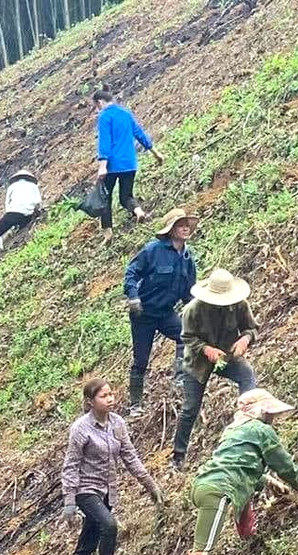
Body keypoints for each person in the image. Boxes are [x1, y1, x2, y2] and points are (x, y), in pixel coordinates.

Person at [183, 389, 298, 555]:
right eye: (269, 413)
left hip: (206, 485)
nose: (273, 418)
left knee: (242, 494)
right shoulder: (263, 430)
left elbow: (242, 467)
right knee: (203, 546)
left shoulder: (234, 430)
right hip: (219, 489)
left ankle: (248, 535)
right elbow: (282, 462)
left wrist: (268, 480)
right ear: (260, 412)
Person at [61, 375, 162, 555]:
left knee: (90, 534)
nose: (110, 399)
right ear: (90, 401)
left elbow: (130, 457)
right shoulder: (80, 429)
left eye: (111, 394)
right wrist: (69, 502)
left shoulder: (117, 423)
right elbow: (71, 465)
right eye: (103, 396)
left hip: (108, 490)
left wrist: (151, 486)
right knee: (109, 525)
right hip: (85, 490)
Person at [173, 270, 256, 469]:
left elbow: (251, 328)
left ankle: (248, 423)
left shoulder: (240, 305)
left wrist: (245, 339)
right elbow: (186, 337)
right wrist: (206, 349)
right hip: (197, 362)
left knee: (247, 375)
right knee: (190, 408)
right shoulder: (192, 310)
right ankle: (178, 455)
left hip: (227, 354)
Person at [121, 209, 196, 413]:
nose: (185, 227)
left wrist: (200, 309)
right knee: (141, 360)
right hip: (143, 313)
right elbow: (132, 272)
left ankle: (179, 379)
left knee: (185, 336)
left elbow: (189, 292)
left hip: (165, 313)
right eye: (180, 224)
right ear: (171, 230)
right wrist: (133, 296)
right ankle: (135, 404)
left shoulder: (188, 257)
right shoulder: (153, 250)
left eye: (186, 224)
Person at [92, 87, 161, 231]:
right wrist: (156, 153)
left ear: (99, 102)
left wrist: (102, 166)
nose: (97, 110)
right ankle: (138, 211)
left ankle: (108, 232)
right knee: (126, 197)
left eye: (96, 107)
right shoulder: (126, 113)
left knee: (105, 198)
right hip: (130, 164)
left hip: (112, 165)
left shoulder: (105, 116)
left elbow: (104, 142)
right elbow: (139, 133)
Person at [0, 171, 44, 251]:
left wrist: (8, 215)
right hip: (28, 215)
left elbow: (7, 203)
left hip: (13, 213)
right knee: (18, 227)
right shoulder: (33, 186)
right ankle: (10, 235)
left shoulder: (12, 186)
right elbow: (38, 202)